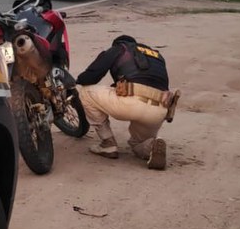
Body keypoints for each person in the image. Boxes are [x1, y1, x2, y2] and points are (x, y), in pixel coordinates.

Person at [75, 35, 179, 170]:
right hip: (158, 110)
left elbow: (91, 76)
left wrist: (77, 81)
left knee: (85, 92)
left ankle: (108, 143)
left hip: (130, 103)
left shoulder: (119, 49)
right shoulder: (157, 56)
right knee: (138, 143)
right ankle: (151, 147)